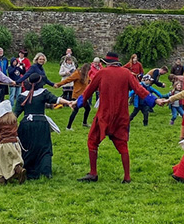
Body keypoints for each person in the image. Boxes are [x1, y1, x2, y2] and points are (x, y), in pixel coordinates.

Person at [77, 51, 155, 183]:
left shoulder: (102, 73)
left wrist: (79, 103)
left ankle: (93, 173)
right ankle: (127, 177)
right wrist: (153, 100)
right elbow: (139, 89)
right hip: (121, 115)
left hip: (104, 115)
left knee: (92, 141)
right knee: (122, 145)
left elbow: (89, 90)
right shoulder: (126, 73)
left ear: (106, 62)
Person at [14, 73, 73, 179]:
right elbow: (57, 99)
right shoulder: (43, 93)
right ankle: (45, 171)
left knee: (27, 147)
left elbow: (15, 114)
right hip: (41, 123)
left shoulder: (22, 96)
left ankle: (27, 170)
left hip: (25, 124)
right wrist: (68, 102)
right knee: (44, 147)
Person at [0, 100, 26, 185]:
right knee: (13, 159)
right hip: (15, 143)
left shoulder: (0, 122)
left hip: (4, 144)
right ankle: (18, 169)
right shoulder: (13, 120)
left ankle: (0, 177)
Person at [55, 62, 93, 130]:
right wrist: (59, 84)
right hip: (76, 96)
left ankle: (84, 123)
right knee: (75, 111)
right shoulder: (77, 74)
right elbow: (67, 80)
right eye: (89, 70)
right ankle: (68, 127)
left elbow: (89, 81)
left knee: (88, 108)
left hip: (83, 96)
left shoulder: (86, 75)